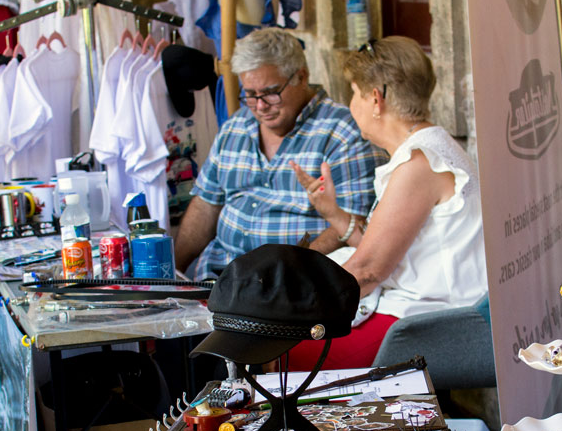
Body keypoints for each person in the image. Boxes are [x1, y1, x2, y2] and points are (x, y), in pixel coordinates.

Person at [287, 36, 488, 370]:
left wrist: (290, 306)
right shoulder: (431, 147)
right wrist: (334, 215)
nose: (352, 103)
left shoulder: (418, 164)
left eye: (354, 92)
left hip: (425, 323)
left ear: (376, 99)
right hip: (423, 312)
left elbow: (368, 272)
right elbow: (389, 252)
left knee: (280, 351)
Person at [174, 28, 381, 280]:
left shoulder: (342, 133)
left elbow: (354, 223)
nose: (260, 106)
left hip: (293, 284)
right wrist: (172, 272)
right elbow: (206, 205)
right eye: (250, 94)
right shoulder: (236, 127)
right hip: (219, 278)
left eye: (271, 92)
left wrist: (284, 274)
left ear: (301, 77)